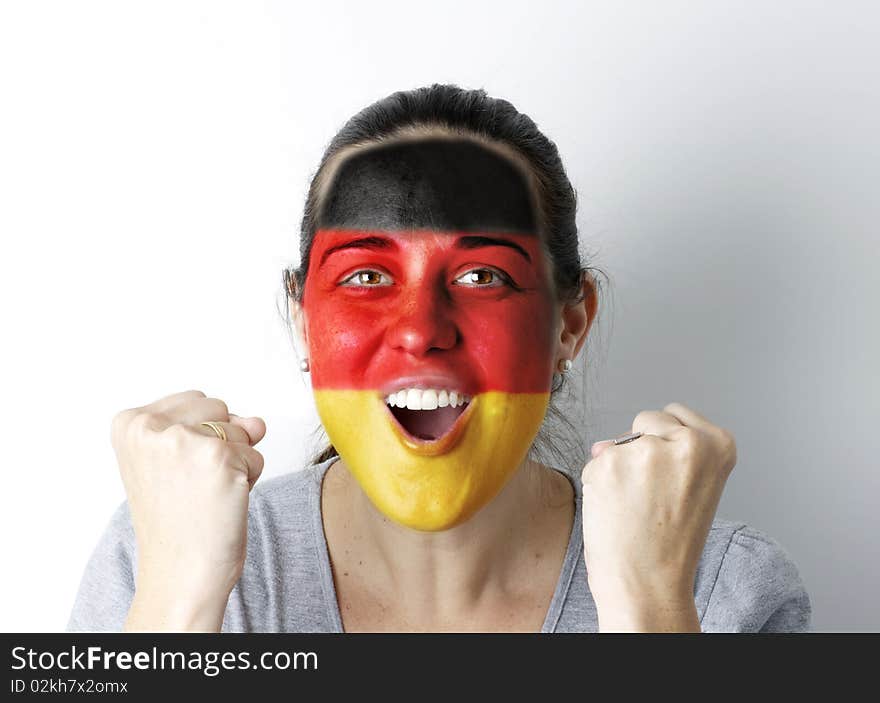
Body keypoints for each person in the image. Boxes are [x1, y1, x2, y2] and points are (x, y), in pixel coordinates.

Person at [68, 84, 811, 632]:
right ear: (303, 319)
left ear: (570, 323)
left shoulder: (724, 591)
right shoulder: (162, 552)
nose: (421, 330)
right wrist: (180, 602)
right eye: (365, 276)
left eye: (483, 276)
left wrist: (651, 612)